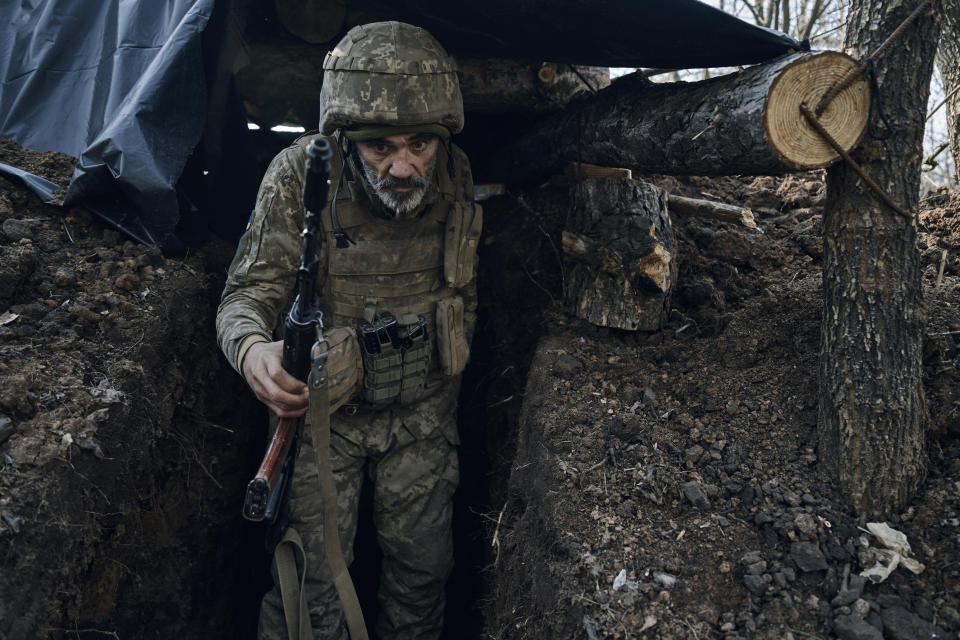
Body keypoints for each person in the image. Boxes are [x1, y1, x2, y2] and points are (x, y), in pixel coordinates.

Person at [216, 20, 481, 640]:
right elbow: (245, 296)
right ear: (344, 138)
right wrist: (254, 353)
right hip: (322, 425)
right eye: (379, 146)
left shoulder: (456, 175)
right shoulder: (300, 177)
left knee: (423, 575)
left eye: (419, 143)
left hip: (423, 416)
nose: (404, 166)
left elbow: (465, 290)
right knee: (308, 588)